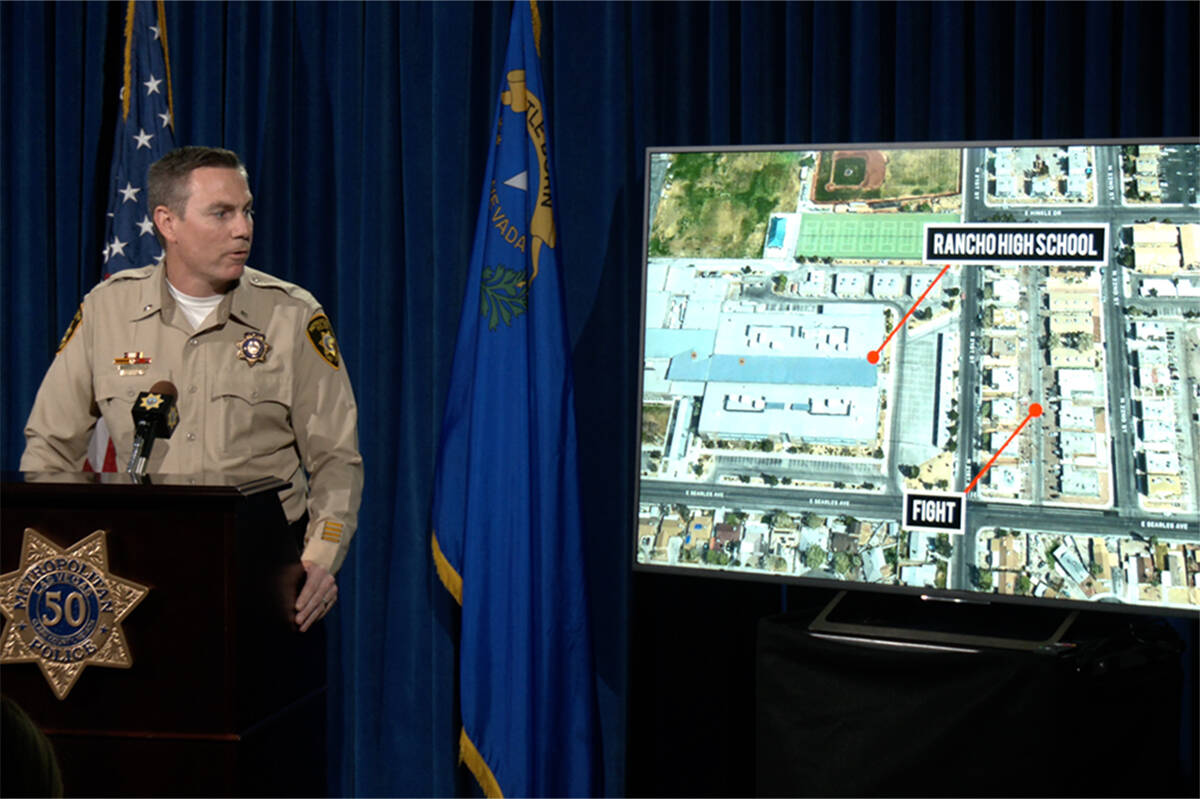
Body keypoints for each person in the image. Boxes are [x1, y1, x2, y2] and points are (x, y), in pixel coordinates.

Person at [20, 146, 362, 632]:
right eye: (221, 213)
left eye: (246, 211)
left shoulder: (293, 315)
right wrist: (72, 556)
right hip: (135, 577)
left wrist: (321, 559)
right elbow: (49, 447)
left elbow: (336, 458)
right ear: (168, 222)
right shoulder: (107, 311)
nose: (242, 228)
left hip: (264, 580)